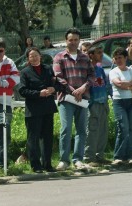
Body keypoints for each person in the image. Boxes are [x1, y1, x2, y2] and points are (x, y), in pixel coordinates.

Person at [52, 27, 95, 171]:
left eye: (76, 40)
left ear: (79, 41)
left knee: (82, 129)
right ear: (66, 40)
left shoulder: (85, 57)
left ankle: (78, 159)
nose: (73, 42)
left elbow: (91, 76)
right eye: (70, 40)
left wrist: (83, 89)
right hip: (66, 98)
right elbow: (59, 77)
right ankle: (64, 160)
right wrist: (72, 90)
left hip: (83, 98)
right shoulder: (59, 57)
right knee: (66, 129)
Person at [17, 47, 58, 173]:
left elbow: (56, 83)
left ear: (40, 56)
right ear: (28, 59)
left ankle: (47, 164)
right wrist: (38, 93)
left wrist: (52, 89)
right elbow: (22, 90)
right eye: (31, 56)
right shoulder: (25, 72)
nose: (34, 58)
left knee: (47, 137)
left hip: (47, 107)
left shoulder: (48, 68)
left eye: (36, 55)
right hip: (33, 110)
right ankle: (36, 165)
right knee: (33, 138)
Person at [109, 47, 132, 165]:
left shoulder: (131, 70)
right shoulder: (113, 71)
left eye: (120, 58)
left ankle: (130, 155)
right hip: (119, 102)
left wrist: (128, 85)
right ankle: (118, 156)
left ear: (125, 58)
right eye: (116, 58)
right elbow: (118, 84)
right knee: (124, 128)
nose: (118, 60)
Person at [84, 47, 110, 165]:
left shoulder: (99, 68)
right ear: (91, 55)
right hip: (92, 103)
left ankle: (100, 155)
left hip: (102, 102)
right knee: (92, 130)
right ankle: (89, 157)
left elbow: (101, 84)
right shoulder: (86, 69)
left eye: (101, 52)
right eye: (98, 53)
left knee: (102, 130)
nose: (101, 55)